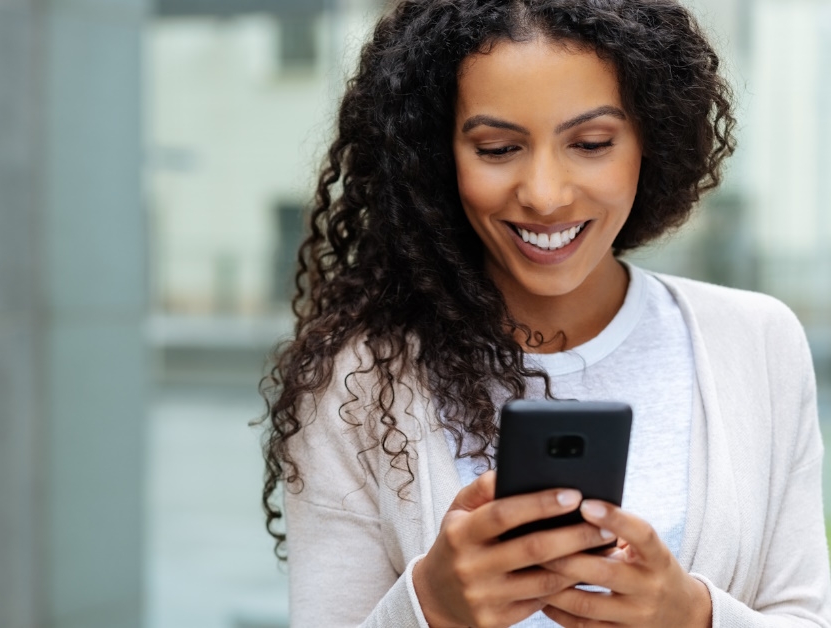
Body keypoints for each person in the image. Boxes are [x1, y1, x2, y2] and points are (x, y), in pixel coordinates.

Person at [257, 0, 831, 626]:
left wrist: (693, 615)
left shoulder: (756, 341)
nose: (546, 195)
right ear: (435, 155)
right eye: (498, 148)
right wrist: (432, 610)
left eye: (590, 143)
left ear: (650, 139)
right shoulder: (356, 382)